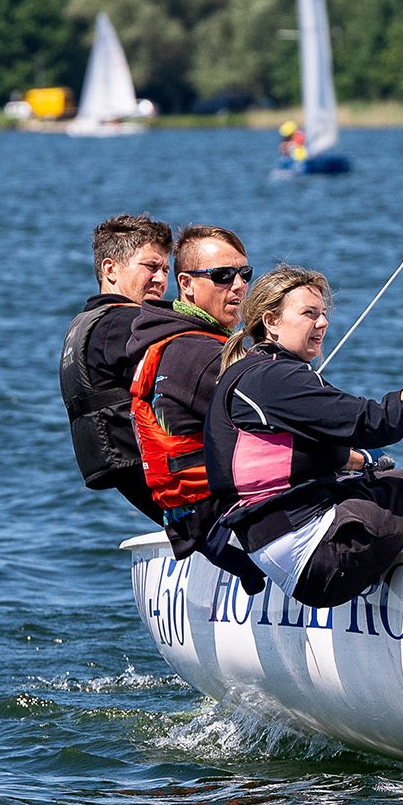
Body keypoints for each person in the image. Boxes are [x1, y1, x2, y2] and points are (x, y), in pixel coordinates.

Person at [204, 266, 403, 607]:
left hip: (284, 540)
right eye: (309, 313)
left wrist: (360, 461)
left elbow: (290, 454)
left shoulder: (256, 371)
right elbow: (378, 423)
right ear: (271, 321)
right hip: (316, 555)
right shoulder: (274, 380)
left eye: (323, 314)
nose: (322, 323)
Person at [127, 224, 261, 586]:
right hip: (223, 523)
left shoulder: (165, 340)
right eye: (222, 276)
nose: (238, 286)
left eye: (244, 274)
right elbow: (282, 424)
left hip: (191, 525)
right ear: (186, 284)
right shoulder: (201, 355)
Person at [60, 214, 171, 522]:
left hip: (133, 479)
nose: (162, 279)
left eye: (165, 269)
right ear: (110, 269)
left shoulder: (86, 324)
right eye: (151, 267)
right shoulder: (125, 324)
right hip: (170, 484)